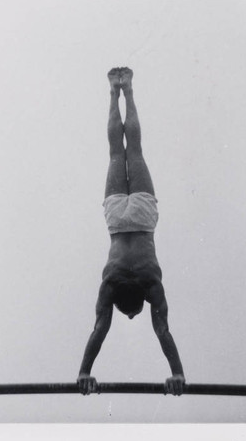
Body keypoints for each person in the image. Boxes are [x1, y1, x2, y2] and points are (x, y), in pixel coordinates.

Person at [77, 67, 185, 396]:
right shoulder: (110, 283)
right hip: (116, 222)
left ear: (138, 302)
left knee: (132, 150)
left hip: (140, 216)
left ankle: (127, 89)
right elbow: (99, 327)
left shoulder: (151, 282)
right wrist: (83, 371)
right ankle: (115, 90)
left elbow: (162, 329)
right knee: (118, 153)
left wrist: (178, 373)